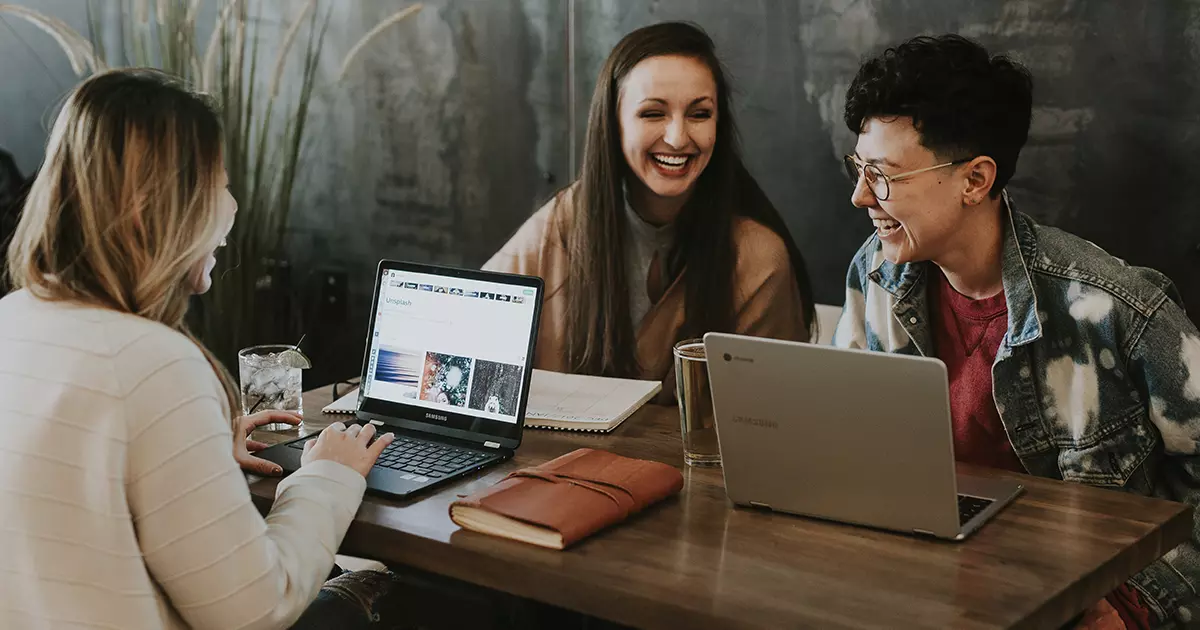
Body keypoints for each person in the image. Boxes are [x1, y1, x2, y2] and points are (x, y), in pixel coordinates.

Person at [0, 68, 402, 629]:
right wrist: (327, 477)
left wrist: (199, 451)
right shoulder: (152, 364)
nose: (231, 207)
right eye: (217, 186)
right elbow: (257, 609)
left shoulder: (12, 320)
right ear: (153, 208)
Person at [834, 34, 1200, 628]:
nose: (859, 197)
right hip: (924, 586)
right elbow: (840, 441)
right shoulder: (874, 273)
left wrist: (1136, 607)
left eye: (882, 176)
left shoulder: (1115, 308)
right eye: (859, 168)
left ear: (975, 180)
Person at [485, 22, 815, 395]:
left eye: (699, 114)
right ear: (613, 124)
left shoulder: (758, 260)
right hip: (560, 454)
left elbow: (769, 419)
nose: (677, 138)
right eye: (653, 114)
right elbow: (467, 332)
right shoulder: (562, 223)